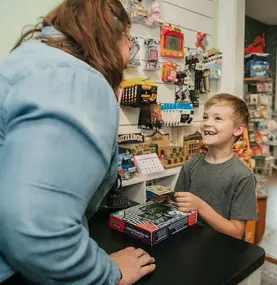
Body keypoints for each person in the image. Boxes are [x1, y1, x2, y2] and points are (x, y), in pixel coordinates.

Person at [0, 1, 155, 284]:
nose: (128, 55)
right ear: (112, 35)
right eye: (129, 40)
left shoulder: (28, 60)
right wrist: (110, 274)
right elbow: (38, 230)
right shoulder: (79, 80)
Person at [173, 94, 258, 239]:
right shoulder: (190, 166)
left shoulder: (243, 176)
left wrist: (200, 206)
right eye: (205, 117)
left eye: (217, 118)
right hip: (189, 245)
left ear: (238, 129)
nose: (207, 123)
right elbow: (178, 207)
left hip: (223, 253)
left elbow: (237, 232)